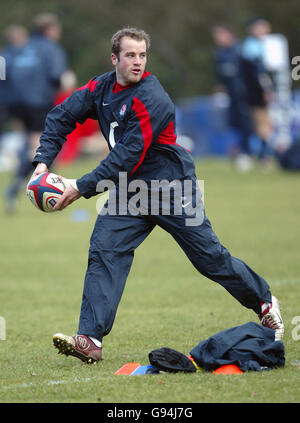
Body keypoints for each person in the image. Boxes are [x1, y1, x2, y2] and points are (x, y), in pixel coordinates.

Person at [27, 27, 284, 364]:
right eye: (130, 55)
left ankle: (264, 300)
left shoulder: (153, 98)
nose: (137, 61)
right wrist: (42, 163)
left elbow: (125, 156)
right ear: (114, 58)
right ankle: (89, 339)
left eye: (142, 55)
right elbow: (61, 116)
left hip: (171, 189)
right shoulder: (100, 88)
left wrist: (79, 187)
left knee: (211, 259)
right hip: (129, 190)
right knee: (104, 250)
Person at [4, 14, 68, 213]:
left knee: (35, 143)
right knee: (40, 146)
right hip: (38, 102)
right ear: (50, 29)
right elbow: (58, 77)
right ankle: (14, 188)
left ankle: (55, 190)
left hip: (15, 103)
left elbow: (6, 72)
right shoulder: (51, 48)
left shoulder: (22, 46)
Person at [211, 24, 254, 171]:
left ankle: (250, 153)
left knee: (247, 124)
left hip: (244, 95)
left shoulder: (241, 51)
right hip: (231, 97)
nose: (218, 40)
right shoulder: (220, 54)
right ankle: (237, 152)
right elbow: (221, 76)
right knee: (234, 124)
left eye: (220, 36)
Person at [242, 17, 274, 166]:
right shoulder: (252, 47)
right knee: (262, 124)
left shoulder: (266, 45)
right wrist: (266, 90)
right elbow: (259, 74)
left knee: (263, 124)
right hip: (256, 93)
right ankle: (263, 156)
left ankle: (261, 155)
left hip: (259, 92)